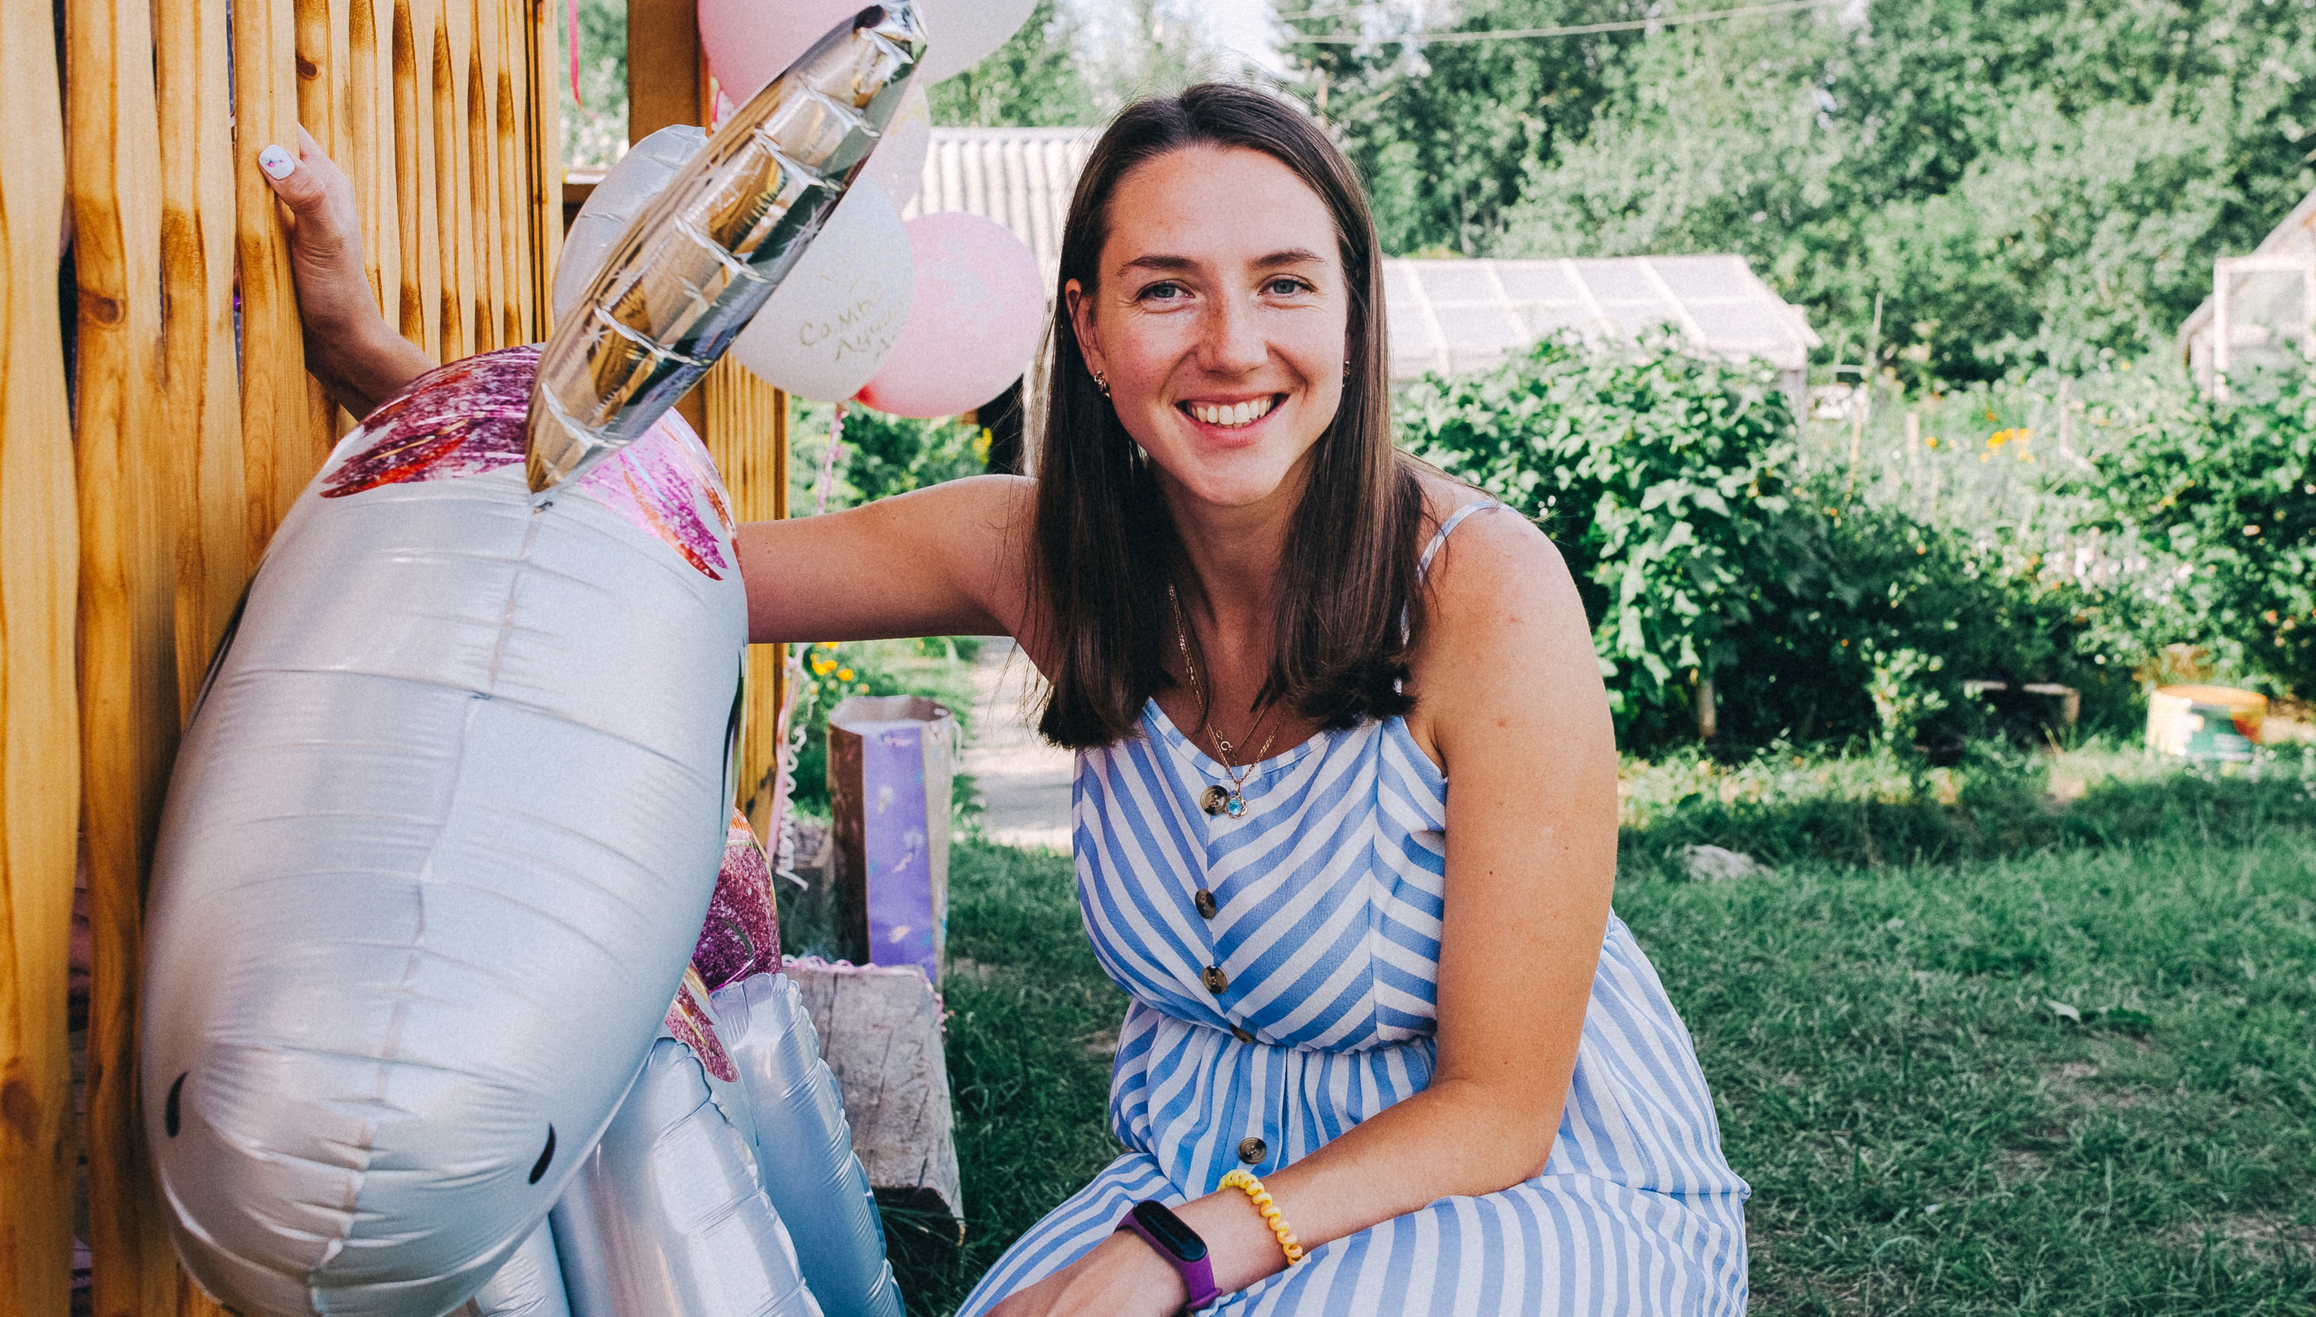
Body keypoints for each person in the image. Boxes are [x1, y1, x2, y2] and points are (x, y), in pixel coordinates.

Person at [267, 84, 1749, 1316]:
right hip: (1205, 1159)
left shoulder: (1487, 594)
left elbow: (1502, 1108)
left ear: (1353, 316)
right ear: (1091, 335)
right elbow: (651, 567)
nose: (1232, 345)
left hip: (1521, 1183)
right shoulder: (1038, 559)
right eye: (1168, 291)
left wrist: (1173, 1255)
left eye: (1286, 283)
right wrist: (373, 361)